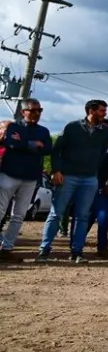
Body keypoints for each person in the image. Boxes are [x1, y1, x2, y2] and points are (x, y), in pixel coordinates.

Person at [40, 99, 108, 263]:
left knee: (83, 216)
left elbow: (101, 154)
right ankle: (44, 250)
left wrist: (95, 174)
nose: (104, 114)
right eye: (101, 110)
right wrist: (57, 170)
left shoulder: (105, 132)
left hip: (90, 179)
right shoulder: (72, 127)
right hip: (68, 176)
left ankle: (77, 252)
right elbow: (57, 150)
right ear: (91, 111)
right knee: (56, 213)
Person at [0, 103, 52, 262]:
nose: (37, 113)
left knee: (19, 215)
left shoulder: (43, 131)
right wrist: (34, 144)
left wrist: (23, 144)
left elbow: (48, 149)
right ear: (23, 112)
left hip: (30, 177)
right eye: (33, 110)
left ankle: (6, 248)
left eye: (40, 110)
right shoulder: (14, 126)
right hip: (9, 174)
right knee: (0, 211)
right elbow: (11, 143)